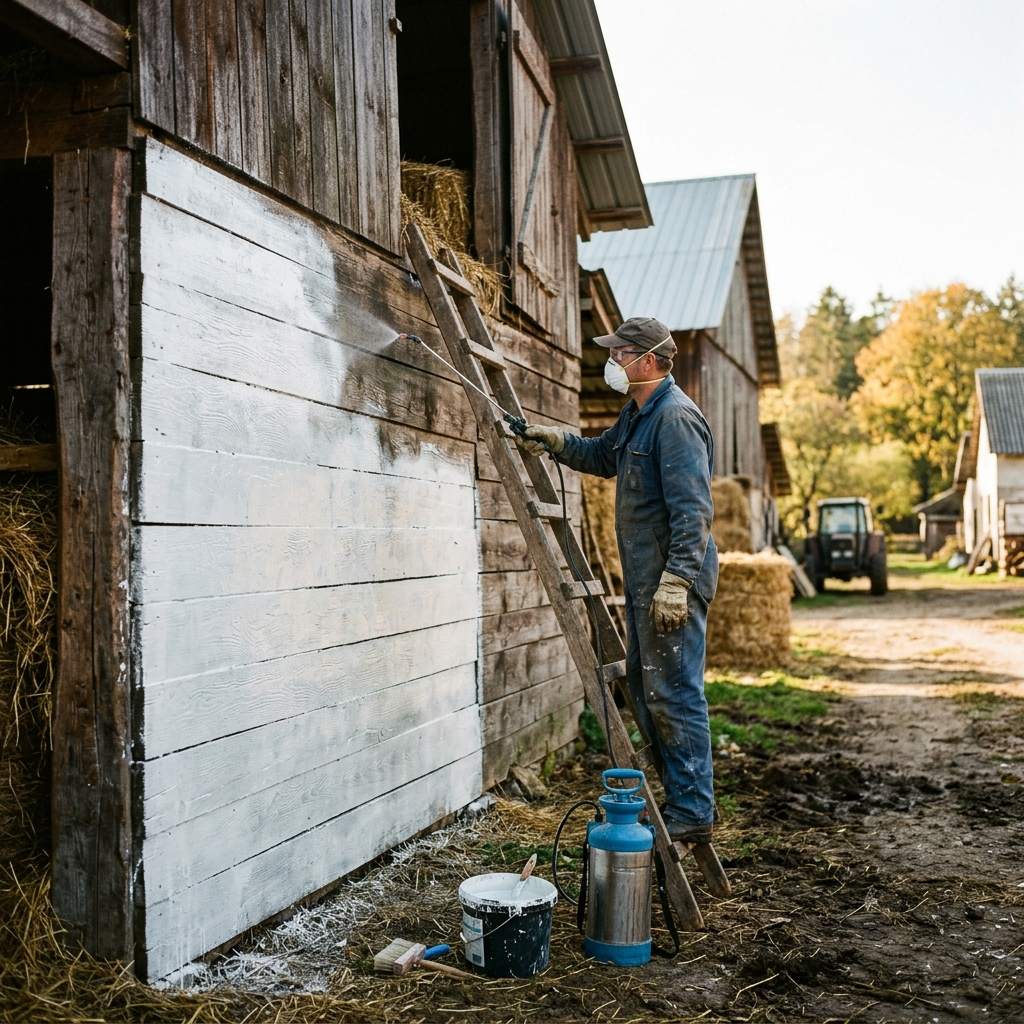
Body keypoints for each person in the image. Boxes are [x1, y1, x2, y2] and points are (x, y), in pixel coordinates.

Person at [516, 316, 718, 845]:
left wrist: (676, 581)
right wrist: (556, 441)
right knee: (652, 690)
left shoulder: (675, 419)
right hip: (648, 580)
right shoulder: (638, 413)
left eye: (620, 353)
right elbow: (604, 456)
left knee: (674, 693)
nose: (612, 361)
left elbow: (694, 511)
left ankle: (693, 809)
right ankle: (681, 800)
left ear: (646, 359)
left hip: (673, 582)